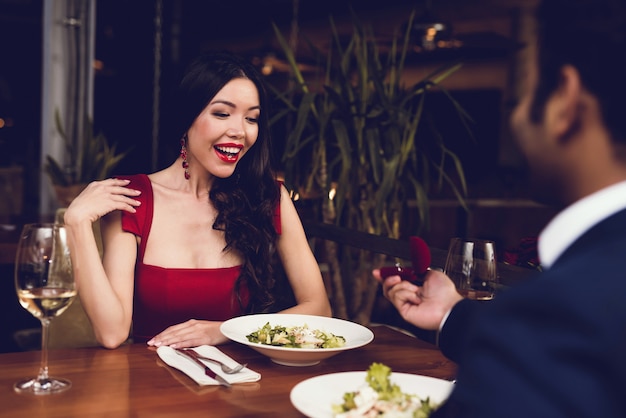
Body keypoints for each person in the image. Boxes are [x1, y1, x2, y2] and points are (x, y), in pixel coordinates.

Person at [374, 0, 626, 416]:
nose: (518, 119)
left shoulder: (561, 310)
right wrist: (453, 313)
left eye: (524, 96)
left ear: (566, 100)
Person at [64, 51, 331, 350]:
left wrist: (227, 330)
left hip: (239, 383)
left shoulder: (268, 197)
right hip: (149, 385)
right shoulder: (134, 198)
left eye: (252, 118)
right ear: (186, 118)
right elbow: (111, 333)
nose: (239, 131)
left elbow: (319, 308)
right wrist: (75, 224)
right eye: (221, 113)